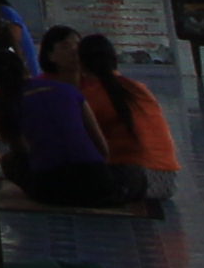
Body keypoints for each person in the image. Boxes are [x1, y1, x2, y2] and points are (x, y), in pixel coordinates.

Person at [8, 32, 144, 208]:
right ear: (49, 55)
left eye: (78, 45)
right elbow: (100, 146)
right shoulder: (65, 91)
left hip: (50, 183)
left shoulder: (92, 87)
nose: (74, 51)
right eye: (66, 46)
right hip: (91, 174)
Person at [74, 35, 177, 208]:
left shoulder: (91, 94)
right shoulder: (136, 87)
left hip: (131, 178)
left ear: (81, 63)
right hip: (166, 180)